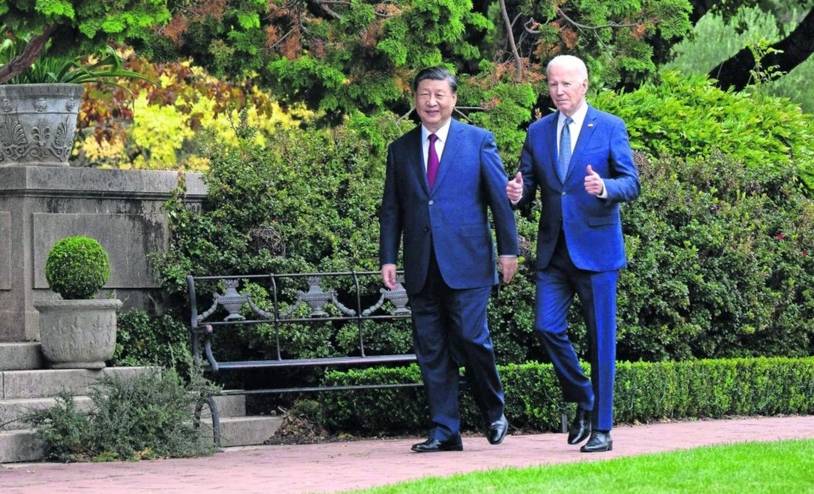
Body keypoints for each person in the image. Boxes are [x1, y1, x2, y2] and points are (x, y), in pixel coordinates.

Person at [379, 66, 519, 453]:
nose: (431, 102)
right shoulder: (400, 149)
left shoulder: (478, 141)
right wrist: (388, 256)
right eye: (424, 94)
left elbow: (499, 200)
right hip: (422, 265)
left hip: (469, 262)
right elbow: (392, 209)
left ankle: (494, 411)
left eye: (439, 94)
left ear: (454, 100)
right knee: (431, 349)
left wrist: (509, 250)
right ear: (415, 99)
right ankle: (445, 430)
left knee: (472, 338)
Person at [506, 55, 640, 453]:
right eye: (553, 84)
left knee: (602, 341)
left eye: (566, 84)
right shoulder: (537, 132)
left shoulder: (610, 126)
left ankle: (602, 430)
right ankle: (584, 395)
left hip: (597, 251)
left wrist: (606, 188)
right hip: (554, 252)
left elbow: (631, 182)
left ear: (584, 85)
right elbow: (527, 185)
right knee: (546, 327)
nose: (559, 91)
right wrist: (517, 193)